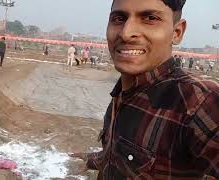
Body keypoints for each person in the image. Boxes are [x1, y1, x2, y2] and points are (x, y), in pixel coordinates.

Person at [70, 0, 219, 179]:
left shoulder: (199, 102)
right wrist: (94, 159)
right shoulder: (122, 92)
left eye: (150, 18)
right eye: (119, 18)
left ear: (177, 32)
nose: (126, 33)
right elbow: (124, 152)